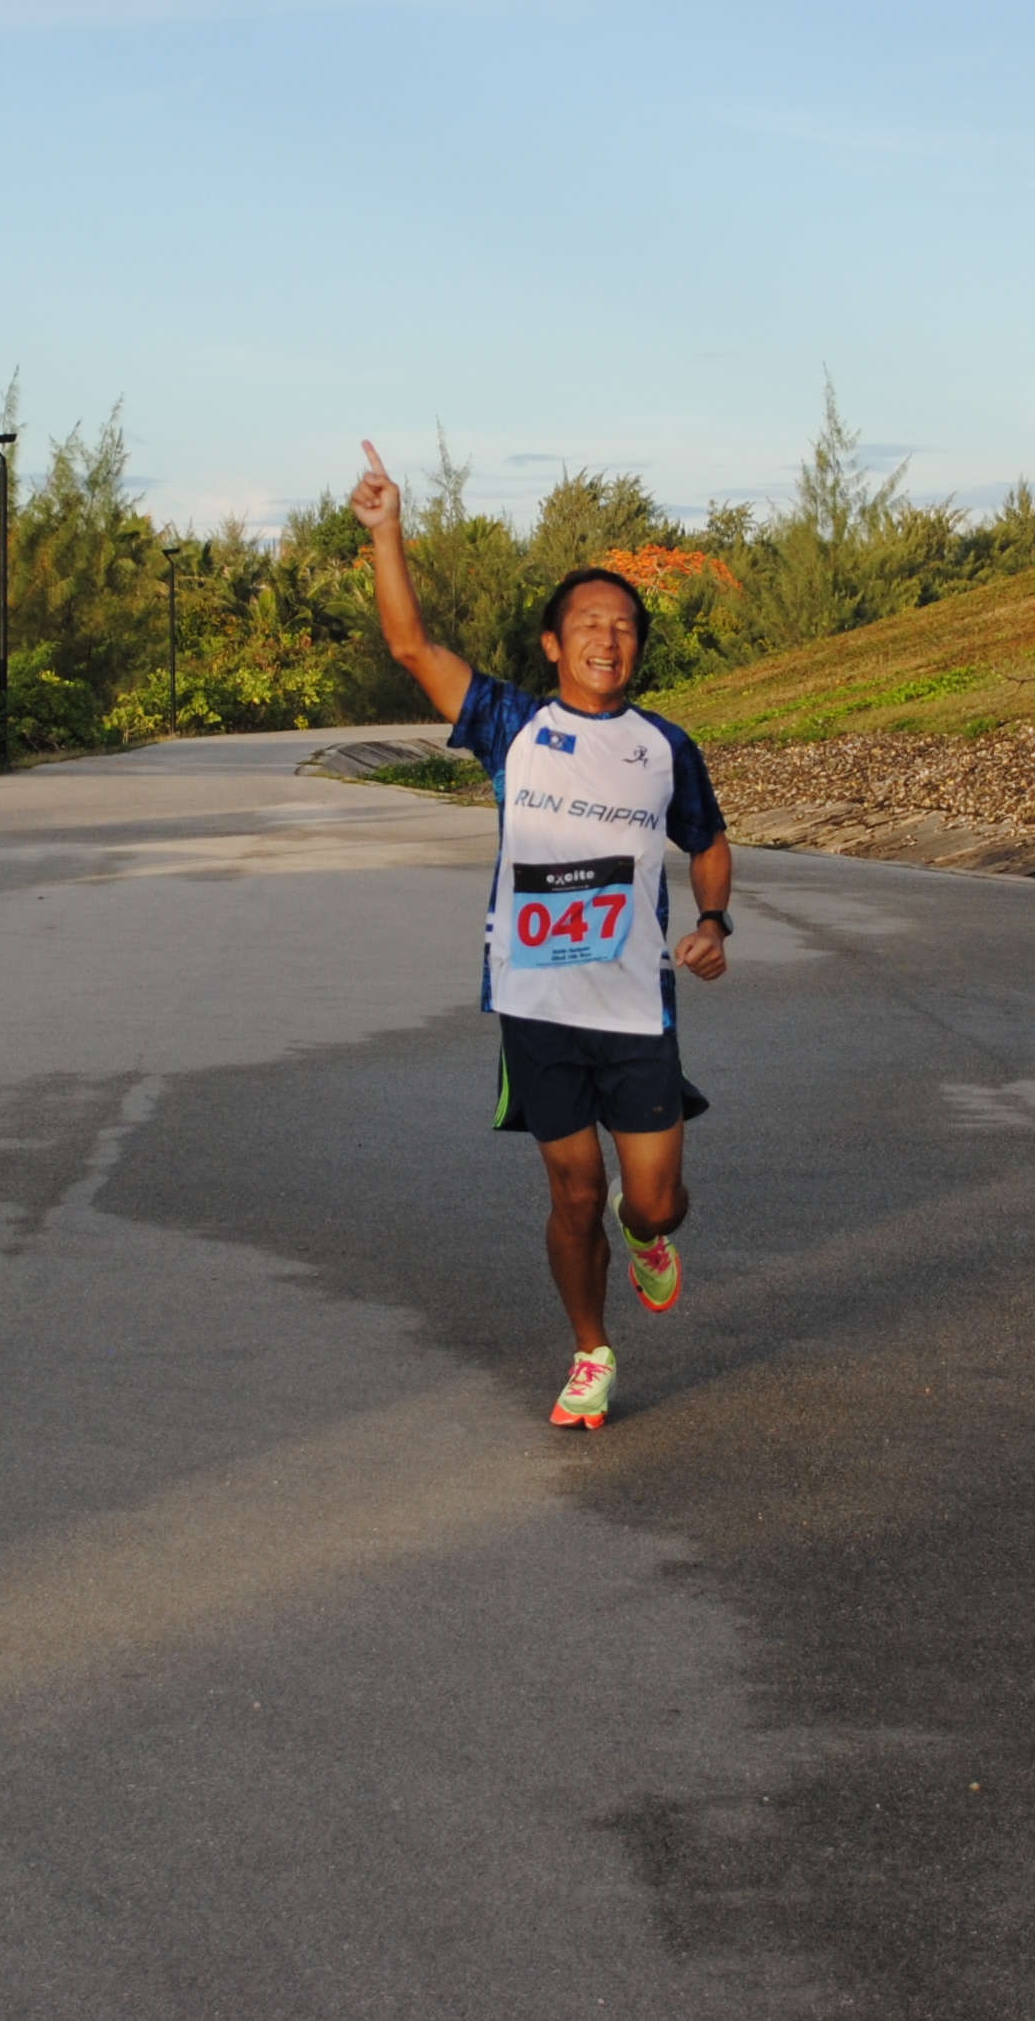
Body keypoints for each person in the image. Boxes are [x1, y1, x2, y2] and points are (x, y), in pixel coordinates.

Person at [351, 441, 736, 1431]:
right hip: (535, 1006)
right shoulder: (511, 726)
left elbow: (711, 841)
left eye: (623, 626)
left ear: (635, 649)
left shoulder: (664, 746)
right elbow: (410, 648)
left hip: (635, 1007)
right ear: (553, 645)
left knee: (649, 1200)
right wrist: (389, 532)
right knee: (573, 1194)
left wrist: (712, 919)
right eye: (588, 624)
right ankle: (590, 1350)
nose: (608, 638)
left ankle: (646, 1237)